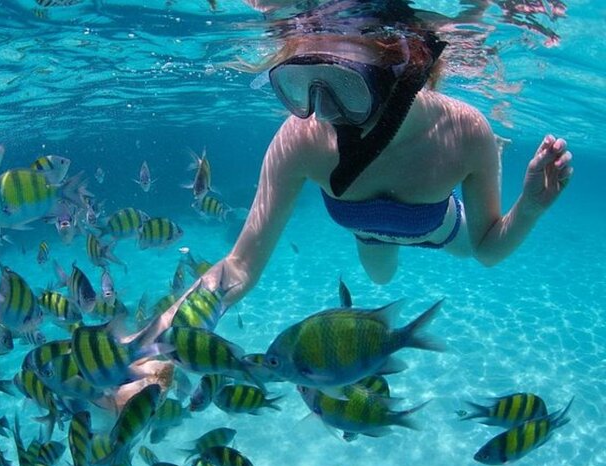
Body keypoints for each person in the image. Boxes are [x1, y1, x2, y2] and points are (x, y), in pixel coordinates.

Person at [149, 22, 573, 339]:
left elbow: (486, 249)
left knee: (461, 252)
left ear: (402, 76)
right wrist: (152, 341)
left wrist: (530, 207)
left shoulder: (464, 132)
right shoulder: (302, 140)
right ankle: (376, 234)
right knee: (381, 279)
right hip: (370, 236)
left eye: (345, 87)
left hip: (440, 225)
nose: (323, 111)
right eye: (304, 86)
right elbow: (239, 266)